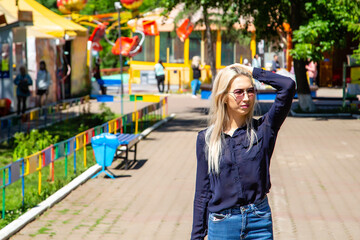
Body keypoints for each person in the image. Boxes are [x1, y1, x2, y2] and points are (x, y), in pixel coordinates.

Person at [191, 64, 296, 240]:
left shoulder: (263, 129)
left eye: (250, 91)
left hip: (259, 222)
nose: (246, 98)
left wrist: (251, 70)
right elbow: (202, 193)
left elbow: (287, 86)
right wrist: (197, 236)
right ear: (224, 97)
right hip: (222, 224)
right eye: (239, 92)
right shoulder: (207, 139)